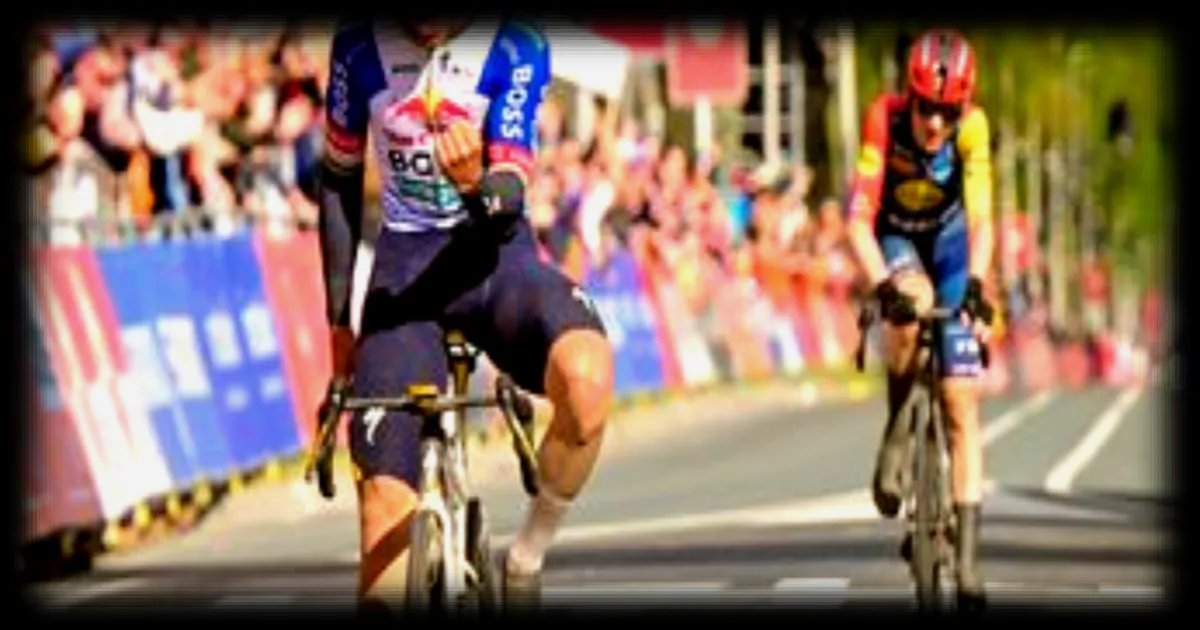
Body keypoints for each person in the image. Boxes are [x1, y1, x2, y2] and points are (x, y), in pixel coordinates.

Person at [316, 17, 614, 614]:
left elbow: (507, 198)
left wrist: (476, 180)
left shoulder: (514, 43)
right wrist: (339, 323)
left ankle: (525, 558)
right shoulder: (357, 46)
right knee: (383, 522)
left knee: (586, 381)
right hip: (405, 276)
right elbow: (337, 182)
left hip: (496, 261)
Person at [843, 29, 996, 609]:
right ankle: (896, 426)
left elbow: (983, 220)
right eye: (926, 109)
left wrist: (979, 286)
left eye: (946, 111)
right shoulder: (882, 119)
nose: (934, 124)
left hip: (954, 245)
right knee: (909, 308)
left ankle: (972, 557)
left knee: (961, 400)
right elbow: (856, 219)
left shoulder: (973, 130)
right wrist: (882, 285)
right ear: (910, 99)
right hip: (898, 240)